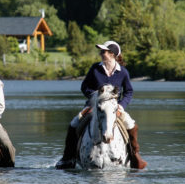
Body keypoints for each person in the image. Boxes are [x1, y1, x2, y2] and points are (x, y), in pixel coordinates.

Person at [55, 41, 147, 169]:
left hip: (115, 108)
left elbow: (129, 91)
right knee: (73, 124)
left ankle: (134, 155)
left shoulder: (123, 72)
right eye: (101, 51)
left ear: (112, 54)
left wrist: (121, 105)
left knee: (132, 125)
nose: (101, 53)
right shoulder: (95, 69)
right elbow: (84, 87)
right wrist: (94, 98)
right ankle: (68, 157)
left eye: (104, 51)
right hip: (93, 106)